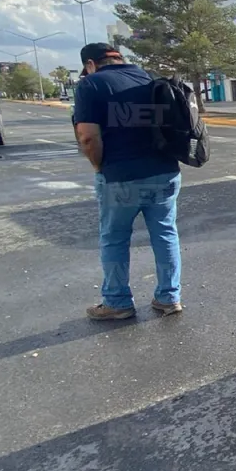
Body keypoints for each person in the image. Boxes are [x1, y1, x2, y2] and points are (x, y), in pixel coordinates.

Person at [72, 43, 183, 320]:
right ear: (119, 58)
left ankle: (117, 301)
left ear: (90, 64)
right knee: (165, 234)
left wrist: (99, 166)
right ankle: (169, 298)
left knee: (115, 239)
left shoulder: (91, 85)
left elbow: (87, 136)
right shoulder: (148, 77)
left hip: (120, 177)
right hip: (165, 171)